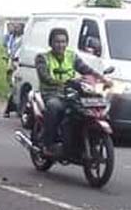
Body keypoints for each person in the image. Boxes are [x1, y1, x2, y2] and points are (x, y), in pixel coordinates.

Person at [36, 28, 108, 156]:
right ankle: (48, 144)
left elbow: (86, 69)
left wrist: (102, 79)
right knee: (54, 107)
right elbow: (44, 76)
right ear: (51, 43)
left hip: (71, 93)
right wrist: (61, 82)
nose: (60, 45)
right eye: (57, 42)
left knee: (88, 109)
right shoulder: (42, 58)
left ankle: (80, 142)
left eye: (63, 42)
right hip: (52, 93)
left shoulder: (71, 56)